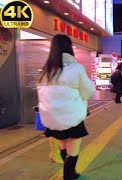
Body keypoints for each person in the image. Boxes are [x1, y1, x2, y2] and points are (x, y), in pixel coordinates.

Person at [37, 34, 96, 179]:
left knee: (63, 146)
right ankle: (68, 175)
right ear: (69, 48)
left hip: (52, 118)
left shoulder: (45, 71)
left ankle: (71, 172)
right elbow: (89, 91)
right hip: (71, 116)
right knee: (73, 149)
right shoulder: (76, 68)